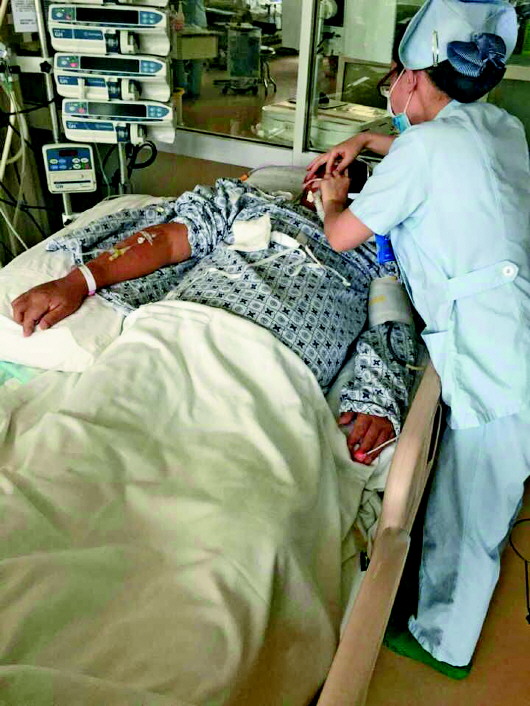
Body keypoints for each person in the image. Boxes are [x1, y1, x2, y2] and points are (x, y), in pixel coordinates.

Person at [306, 0, 530, 679]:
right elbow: (435, 147)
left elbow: (341, 237)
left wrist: (331, 198)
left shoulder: (425, 149)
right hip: (512, 321)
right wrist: (367, 141)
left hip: (495, 345)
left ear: (411, 76)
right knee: (490, 474)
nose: (392, 94)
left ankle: (443, 643)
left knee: (473, 499)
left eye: (394, 80)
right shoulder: (502, 126)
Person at [11, 177, 418, 466]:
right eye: (330, 173)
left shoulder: (378, 253)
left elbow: (390, 323)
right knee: (75, 449)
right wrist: (76, 281)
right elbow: (166, 240)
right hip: (174, 337)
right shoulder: (250, 204)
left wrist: (378, 397)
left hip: (274, 379)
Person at [171, 0, 208, 99]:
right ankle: (195, 90)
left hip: (188, 26)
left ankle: (183, 88)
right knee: (197, 61)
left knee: (178, 58)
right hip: (200, 24)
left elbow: (186, 8)